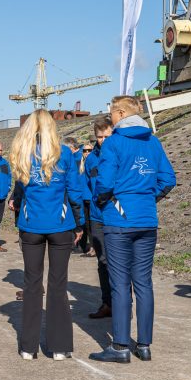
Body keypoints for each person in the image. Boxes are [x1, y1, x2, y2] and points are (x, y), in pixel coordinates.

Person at [89, 96, 176, 364]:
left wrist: (103, 200)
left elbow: (104, 182)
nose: (110, 118)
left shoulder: (114, 142)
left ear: (121, 113)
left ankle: (120, 345)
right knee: (143, 283)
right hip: (146, 219)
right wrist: (149, 199)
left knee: (120, 284)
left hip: (119, 219)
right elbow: (168, 179)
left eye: (111, 113)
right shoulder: (153, 141)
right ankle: (145, 345)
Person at [10, 110, 84, 360]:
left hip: (31, 225)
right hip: (61, 224)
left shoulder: (22, 152)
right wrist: (79, 224)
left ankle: (28, 347)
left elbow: (19, 189)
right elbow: (75, 191)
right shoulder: (64, 153)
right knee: (58, 284)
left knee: (31, 284)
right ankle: (60, 346)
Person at [85, 117, 114, 319]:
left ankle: (124, 304)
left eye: (106, 136)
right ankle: (108, 303)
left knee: (119, 262)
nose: (103, 140)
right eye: (99, 137)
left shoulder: (120, 154)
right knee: (102, 261)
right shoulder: (91, 159)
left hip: (116, 214)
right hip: (97, 216)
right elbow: (88, 185)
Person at [78, 142, 94, 256]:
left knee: (93, 224)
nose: (87, 152)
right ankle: (90, 247)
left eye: (89, 150)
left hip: (92, 198)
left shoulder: (93, 162)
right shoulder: (80, 165)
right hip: (83, 198)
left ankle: (94, 248)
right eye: (85, 150)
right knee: (87, 224)